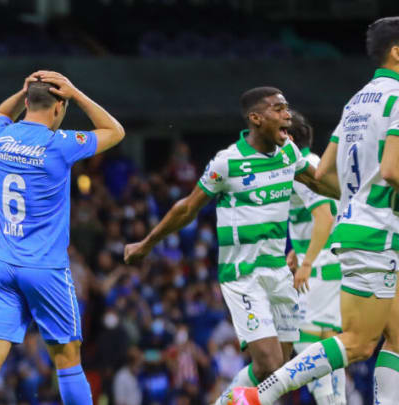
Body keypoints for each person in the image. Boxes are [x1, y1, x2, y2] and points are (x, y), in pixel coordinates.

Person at [228, 17, 399, 404]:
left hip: (372, 230)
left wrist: (396, 206)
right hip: (373, 234)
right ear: (397, 53)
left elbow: (324, 178)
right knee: (357, 343)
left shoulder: (357, 101)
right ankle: (259, 396)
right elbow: (392, 169)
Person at [124, 86, 338, 405]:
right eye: (278, 109)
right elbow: (187, 208)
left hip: (278, 273)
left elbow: (324, 184)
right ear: (255, 118)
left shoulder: (289, 154)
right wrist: (146, 242)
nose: (287, 115)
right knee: (269, 364)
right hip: (243, 276)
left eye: (287, 108)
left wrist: (377, 206)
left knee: (277, 370)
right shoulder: (228, 163)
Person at [0, 70, 125, 405]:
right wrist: (77, 93)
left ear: (26, 103)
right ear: (59, 108)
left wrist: (22, 89)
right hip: (45, 268)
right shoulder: (60, 144)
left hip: (0, 263)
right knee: (68, 359)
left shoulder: (0, 137)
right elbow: (115, 131)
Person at [285, 110, 345, 405]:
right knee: (329, 339)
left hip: (322, 265)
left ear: (289, 138)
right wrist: (299, 249)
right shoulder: (314, 161)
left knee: (302, 334)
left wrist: (307, 262)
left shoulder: (302, 168)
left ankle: (327, 400)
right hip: (330, 260)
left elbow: (324, 217)